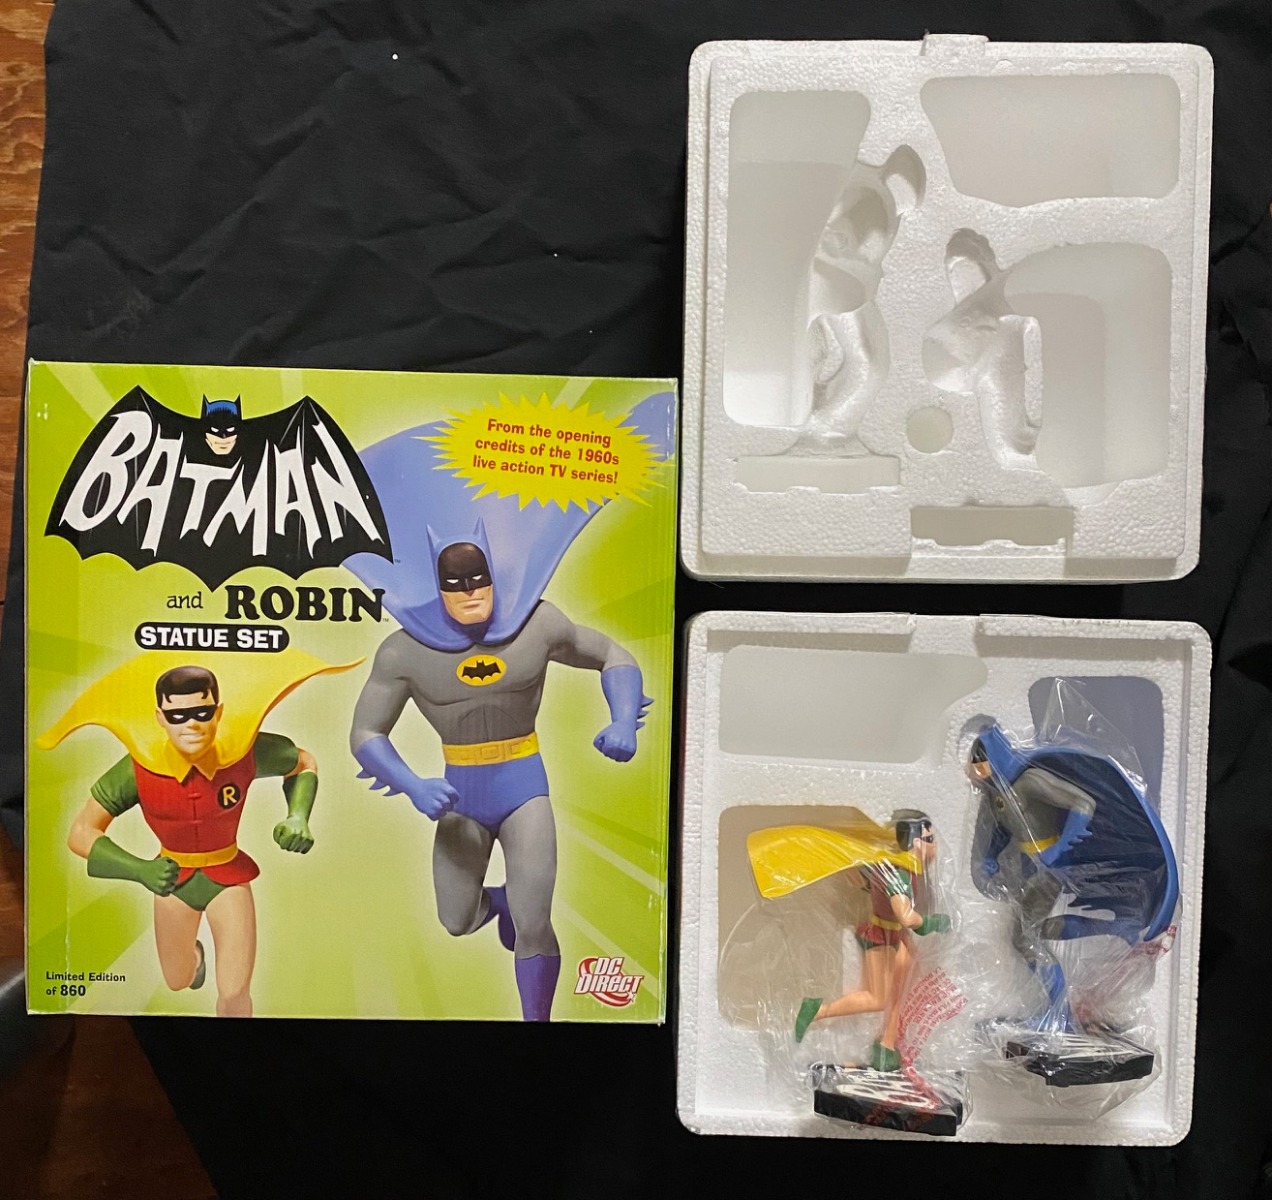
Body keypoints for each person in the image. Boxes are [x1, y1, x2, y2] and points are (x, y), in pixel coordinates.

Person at [350, 530, 646, 1022]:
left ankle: (537, 1028)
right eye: (455, 582)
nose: (470, 591)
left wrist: (623, 721)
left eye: (477, 578)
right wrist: (412, 784)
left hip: (523, 787)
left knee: (535, 922)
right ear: (437, 586)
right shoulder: (403, 652)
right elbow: (366, 732)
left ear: (493, 577)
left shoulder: (537, 624)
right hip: (458, 795)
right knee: (456, 919)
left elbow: (612, 655)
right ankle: (502, 902)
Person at [64, 664, 318, 1017]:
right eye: (178, 715)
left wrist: (298, 816)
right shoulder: (139, 766)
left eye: (202, 712)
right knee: (177, 979)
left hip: (228, 876)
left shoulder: (243, 751)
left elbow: (303, 762)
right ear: (161, 717)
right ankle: (194, 958)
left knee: (234, 991)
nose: (191, 725)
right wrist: (139, 870)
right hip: (171, 881)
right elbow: (81, 832)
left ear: (218, 712)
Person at [793, 811, 949, 1071]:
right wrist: (935, 922)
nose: (934, 847)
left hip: (895, 936)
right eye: (930, 839)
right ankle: (818, 1010)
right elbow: (907, 917)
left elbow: (865, 884)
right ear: (915, 842)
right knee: (878, 998)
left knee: (903, 987)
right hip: (881, 937)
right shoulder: (899, 875)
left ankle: (887, 1044)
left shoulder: (892, 866)